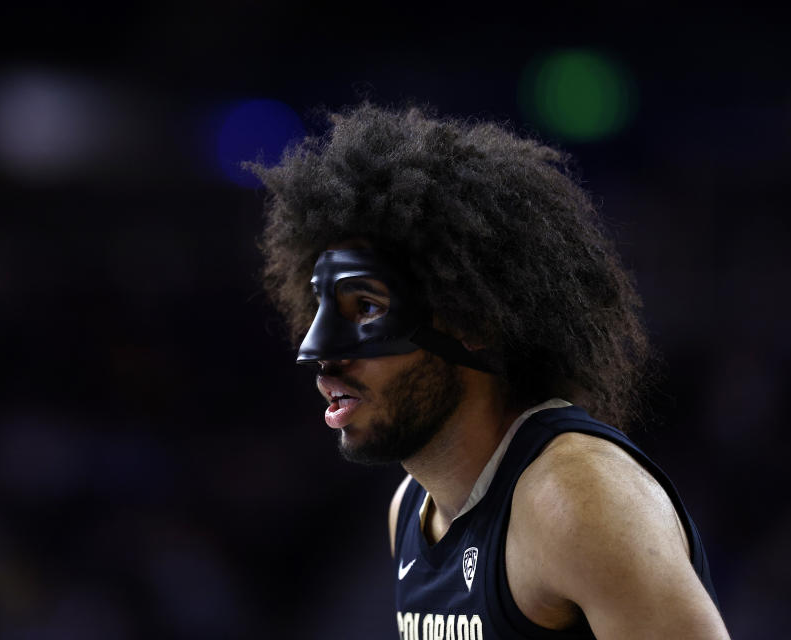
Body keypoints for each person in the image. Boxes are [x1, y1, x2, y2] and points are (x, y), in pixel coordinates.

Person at [250, 103, 730, 639]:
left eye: (366, 307)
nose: (323, 356)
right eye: (320, 307)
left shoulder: (576, 497)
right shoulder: (409, 509)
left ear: (471, 319)